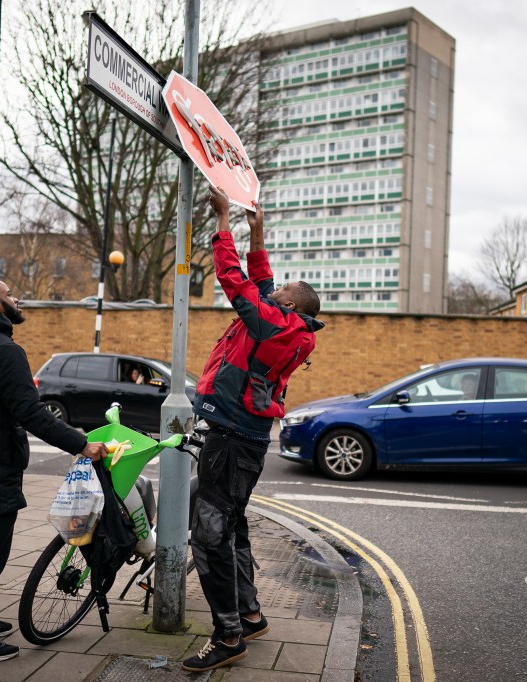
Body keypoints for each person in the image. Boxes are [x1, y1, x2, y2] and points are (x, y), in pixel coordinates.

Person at [183, 186, 324, 673]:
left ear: (293, 306)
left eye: (282, 291)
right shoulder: (286, 322)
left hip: (232, 437)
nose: (274, 289)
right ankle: (249, 613)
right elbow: (260, 281)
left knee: (209, 535)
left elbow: (235, 281)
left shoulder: (276, 324)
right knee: (232, 524)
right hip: (242, 435)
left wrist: (223, 221)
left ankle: (228, 636)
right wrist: (256, 230)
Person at [0, 279, 109, 666]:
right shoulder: (4, 350)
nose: (17, 300)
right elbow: (30, 412)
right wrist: (80, 444)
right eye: (10, 295)